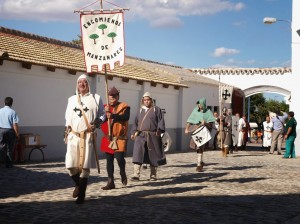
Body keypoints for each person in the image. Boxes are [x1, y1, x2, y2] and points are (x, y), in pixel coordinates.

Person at [64, 74, 105, 204]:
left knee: (85, 168)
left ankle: (81, 195)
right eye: (79, 82)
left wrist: (99, 121)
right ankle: (79, 185)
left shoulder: (96, 98)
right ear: (77, 84)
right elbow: (67, 118)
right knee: (70, 166)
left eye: (84, 82)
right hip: (73, 136)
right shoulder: (71, 99)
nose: (82, 84)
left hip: (87, 136)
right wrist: (65, 132)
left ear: (88, 84)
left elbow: (103, 115)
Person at [130, 92, 166, 181]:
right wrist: (133, 132)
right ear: (143, 101)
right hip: (140, 135)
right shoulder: (140, 110)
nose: (146, 102)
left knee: (153, 154)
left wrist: (159, 130)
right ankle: (136, 174)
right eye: (145, 100)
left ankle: (153, 174)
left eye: (148, 100)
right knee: (138, 153)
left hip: (153, 135)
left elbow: (161, 121)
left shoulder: (156, 110)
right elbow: (135, 122)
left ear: (151, 100)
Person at [100, 86, 130, 190]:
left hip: (119, 138)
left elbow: (126, 117)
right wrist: (93, 124)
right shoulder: (105, 108)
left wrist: (112, 115)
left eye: (114, 97)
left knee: (120, 159)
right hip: (108, 138)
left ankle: (122, 172)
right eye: (110, 97)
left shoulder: (124, 106)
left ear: (117, 96)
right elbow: (101, 119)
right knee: (109, 160)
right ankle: (110, 182)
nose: (112, 99)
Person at [185, 97, 215, 171]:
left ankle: (198, 164)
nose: (199, 105)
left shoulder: (208, 112)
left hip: (204, 130)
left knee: (200, 146)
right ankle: (200, 161)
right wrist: (187, 128)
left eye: (201, 104)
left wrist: (205, 123)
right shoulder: (195, 110)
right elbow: (190, 120)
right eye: (198, 104)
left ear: (204, 104)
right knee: (196, 146)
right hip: (196, 130)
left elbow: (211, 124)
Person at [0, 97, 20, 168]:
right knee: (9, 148)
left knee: (1, 147)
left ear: (4, 102)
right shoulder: (13, 112)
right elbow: (15, 124)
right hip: (9, 131)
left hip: (1, 130)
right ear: (11, 103)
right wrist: (17, 134)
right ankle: (8, 164)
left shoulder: (0, 111)